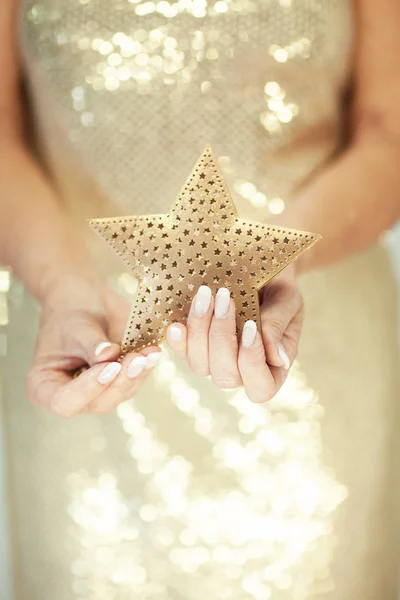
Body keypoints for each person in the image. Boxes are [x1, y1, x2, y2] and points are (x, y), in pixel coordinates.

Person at [0, 0, 399, 598]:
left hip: (304, 359)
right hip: (86, 346)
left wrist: (276, 259)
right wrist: (62, 286)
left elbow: (388, 135)